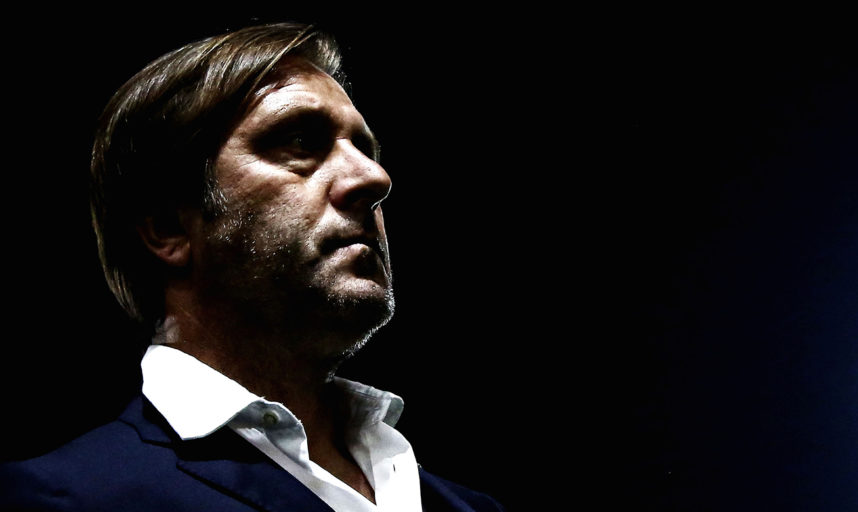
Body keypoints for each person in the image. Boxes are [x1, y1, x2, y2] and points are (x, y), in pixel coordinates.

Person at [0, 22, 502, 512]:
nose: (375, 178)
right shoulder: (61, 498)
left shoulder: (471, 505)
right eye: (301, 142)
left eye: (365, 149)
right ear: (168, 228)